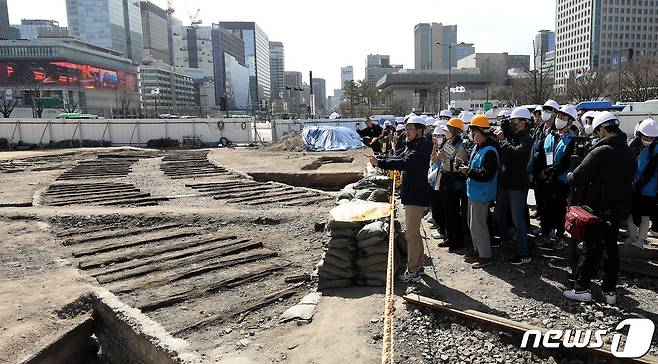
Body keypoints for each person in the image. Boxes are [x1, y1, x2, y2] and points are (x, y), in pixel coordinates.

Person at [564, 111, 636, 304]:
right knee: (612, 250)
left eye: (597, 132)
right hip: (618, 209)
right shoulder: (628, 151)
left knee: (591, 248)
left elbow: (578, 177)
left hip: (598, 208)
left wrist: (570, 175)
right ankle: (609, 291)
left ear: (603, 130)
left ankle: (582, 288)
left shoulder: (601, 151)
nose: (597, 136)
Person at [368, 115, 432, 282]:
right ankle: (418, 265)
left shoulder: (422, 147)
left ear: (420, 131)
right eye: (407, 129)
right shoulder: (414, 145)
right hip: (411, 193)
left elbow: (405, 162)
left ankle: (413, 270)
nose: (408, 132)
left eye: (411, 129)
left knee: (411, 235)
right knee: (414, 234)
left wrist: (380, 163)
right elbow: (399, 158)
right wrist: (381, 160)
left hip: (415, 195)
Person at [493, 107, 533, 264]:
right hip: (504, 182)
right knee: (499, 214)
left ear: (523, 122)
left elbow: (516, 153)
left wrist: (503, 140)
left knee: (518, 220)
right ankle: (505, 240)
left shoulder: (527, 139)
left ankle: (523, 253)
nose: (512, 124)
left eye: (514, 122)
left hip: (517, 185)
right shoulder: (512, 136)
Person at [459, 114, 499, 269]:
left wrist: (468, 171)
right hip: (474, 192)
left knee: (478, 225)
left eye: (473, 131)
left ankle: (485, 255)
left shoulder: (490, 150)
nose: (471, 134)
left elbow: (486, 174)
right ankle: (478, 249)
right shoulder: (479, 147)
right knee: (472, 223)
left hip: (482, 193)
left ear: (480, 132)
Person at [539, 105, 577, 250]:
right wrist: (543, 172)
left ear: (570, 122)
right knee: (545, 208)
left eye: (563, 118)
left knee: (559, 210)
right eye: (558, 117)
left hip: (560, 181)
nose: (559, 120)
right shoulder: (550, 136)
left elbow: (565, 161)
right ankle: (546, 233)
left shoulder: (571, 140)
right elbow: (543, 155)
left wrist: (549, 173)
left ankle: (560, 236)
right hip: (546, 179)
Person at [436, 118, 469, 252]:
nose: (446, 132)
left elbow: (458, 165)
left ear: (455, 131)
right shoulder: (448, 143)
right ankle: (450, 238)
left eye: (448, 130)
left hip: (453, 182)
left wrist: (444, 160)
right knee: (446, 210)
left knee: (453, 211)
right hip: (445, 179)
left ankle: (457, 240)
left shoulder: (459, 146)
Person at [529, 99, 560, 238]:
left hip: (548, 174)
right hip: (537, 171)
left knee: (550, 204)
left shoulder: (556, 131)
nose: (545, 113)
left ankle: (551, 229)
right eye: (544, 110)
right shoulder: (539, 128)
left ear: (555, 113)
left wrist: (547, 172)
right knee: (540, 201)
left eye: (549, 110)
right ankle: (544, 227)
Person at [626, 118, 658, 248]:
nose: (649, 140)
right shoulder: (633, 145)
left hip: (649, 189)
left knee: (645, 217)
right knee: (630, 214)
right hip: (632, 187)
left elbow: (650, 172)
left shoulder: (656, 150)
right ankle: (632, 236)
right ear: (640, 134)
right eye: (646, 137)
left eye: (652, 138)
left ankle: (640, 240)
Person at [428, 120, 448, 240]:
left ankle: (443, 231)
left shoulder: (446, 148)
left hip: (441, 181)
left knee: (441, 208)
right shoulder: (436, 147)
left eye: (439, 135)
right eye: (434, 135)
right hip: (435, 181)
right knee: (436, 207)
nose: (436, 137)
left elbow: (444, 164)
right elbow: (434, 161)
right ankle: (440, 228)